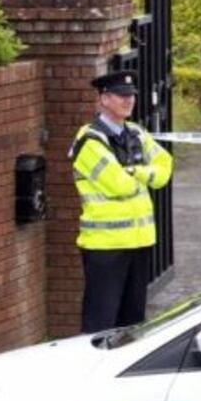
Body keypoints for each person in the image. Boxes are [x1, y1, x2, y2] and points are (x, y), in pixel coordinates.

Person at [69, 70, 173, 333]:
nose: (129, 100)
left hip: (139, 241)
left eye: (132, 95)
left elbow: (164, 167)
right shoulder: (89, 140)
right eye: (121, 95)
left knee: (133, 323)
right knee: (101, 322)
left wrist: (137, 171)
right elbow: (119, 185)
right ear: (104, 99)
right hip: (106, 247)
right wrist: (142, 174)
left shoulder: (136, 133)